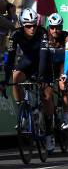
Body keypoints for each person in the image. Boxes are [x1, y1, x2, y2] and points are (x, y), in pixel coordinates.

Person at [1, 9, 54, 151]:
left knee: (47, 97)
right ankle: (23, 112)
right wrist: (5, 80)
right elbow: (10, 59)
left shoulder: (42, 32)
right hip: (28, 63)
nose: (32, 28)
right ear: (22, 25)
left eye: (34, 25)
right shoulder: (15, 35)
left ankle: (49, 134)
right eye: (28, 26)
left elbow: (43, 57)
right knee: (15, 76)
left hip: (44, 65)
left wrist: (42, 77)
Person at [46, 13, 68, 130]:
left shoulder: (67, 37)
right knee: (47, 90)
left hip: (62, 64)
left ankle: (66, 116)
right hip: (49, 65)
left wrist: (65, 74)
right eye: (52, 27)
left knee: (63, 85)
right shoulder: (44, 35)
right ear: (49, 27)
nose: (55, 30)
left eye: (58, 27)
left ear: (62, 27)